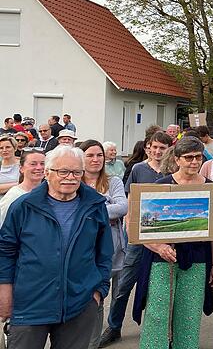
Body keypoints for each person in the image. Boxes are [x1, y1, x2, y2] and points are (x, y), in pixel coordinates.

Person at [0, 145, 112, 349]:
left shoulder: (95, 207)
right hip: (31, 304)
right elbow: (6, 251)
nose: (70, 177)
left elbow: (104, 253)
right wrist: (4, 292)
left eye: (77, 172)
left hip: (79, 303)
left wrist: (99, 290)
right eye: (63, 171)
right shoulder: (23, 206)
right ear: (47, 173)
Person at [131, 137, 213, 348]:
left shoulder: (209, 188)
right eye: (189, 157)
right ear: (177, 159)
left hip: (197, 259)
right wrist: (159, 247)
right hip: (162, 259)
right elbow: (143, 227)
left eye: (198, 157)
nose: (194, 162)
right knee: (157, 314)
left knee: (189, 316)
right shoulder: (161, 185)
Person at [98, 132, 173, 347]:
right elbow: (130, 203)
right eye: (154, 147)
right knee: (124, 286)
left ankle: (160, 331)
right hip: (138, 238)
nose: (158, 151)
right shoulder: (139, 169)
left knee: (159, 288)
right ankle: (114, 326)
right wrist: (131, 232)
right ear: (148, 148)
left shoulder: (173, 170)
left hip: (164, 238)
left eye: (162, 147)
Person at [79, 140, 129, 349]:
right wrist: (105, 204)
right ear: (81, 157)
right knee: (87, 297)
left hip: (110, 247)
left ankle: (96, 341)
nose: (96, 159)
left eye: (99, 155)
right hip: (81, 250)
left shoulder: (113, 181)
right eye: (90, 155)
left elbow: (122, 207)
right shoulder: (74, 180)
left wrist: (90, 211)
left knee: (102, 293)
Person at [0, 149, 45, 225]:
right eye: (33, 164)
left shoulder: (51, 193)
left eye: (42, 163)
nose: (39, 167)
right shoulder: (13, 197)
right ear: (21, 168)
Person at [0, 135, 19, 200]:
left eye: (8, 147)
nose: (4, 150)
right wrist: (18, 184)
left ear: (15, 148)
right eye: (1, 148)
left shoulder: (23, 165)